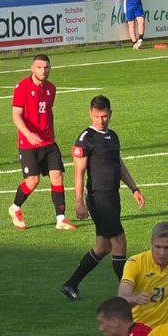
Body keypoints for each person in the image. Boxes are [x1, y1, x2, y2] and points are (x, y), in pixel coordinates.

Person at [59, 95, 144, 301]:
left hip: (113, 197)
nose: (101, 120)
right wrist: (79, 203)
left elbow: (119, 164)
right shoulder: (85, 138)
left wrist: (134, 188)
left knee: (103, 247)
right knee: (119, 241)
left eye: (104, 116)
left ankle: (70, 284)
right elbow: (78, 173)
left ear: (110, 114)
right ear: (90, 114)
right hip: (99, 198)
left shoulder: (113, 136)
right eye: (97, 116)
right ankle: (127, 294)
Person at [9, 54, 75, 231]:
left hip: (48, 142)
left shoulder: (51, 89)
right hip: (28, 143)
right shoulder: (22, 87)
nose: (43, 70)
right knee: (33, 181)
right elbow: (16, 116)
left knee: (57, 176)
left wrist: (51, 134)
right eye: (39, 67)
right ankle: (15, 208)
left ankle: (61, 219)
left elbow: (48, 112)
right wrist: (28, 134)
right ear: (32, 68)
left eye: (46, 67)